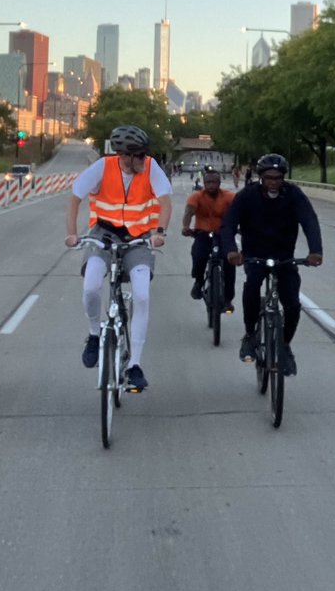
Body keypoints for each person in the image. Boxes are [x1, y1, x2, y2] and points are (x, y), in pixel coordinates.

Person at [65, 124, 172, 393]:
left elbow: (166, 201)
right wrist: (72, 234)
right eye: (138, 156)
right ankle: (93, 334)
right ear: (124, 155)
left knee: (142, 295)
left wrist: (160, 232)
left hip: (139, 237)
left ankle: (134, 364)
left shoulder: (150, 167)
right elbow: (75, 197)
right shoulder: (103, 167)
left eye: (144, 155)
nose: (143, 160)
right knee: (90, 287)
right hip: (104, 234)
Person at [220, 153, 322, 376]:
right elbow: (228, 224)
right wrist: (231, 251)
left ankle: (285, 346)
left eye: (278, 178)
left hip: (284, 256)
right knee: (252, 287)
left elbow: (309, 220)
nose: (273, 182)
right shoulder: (247, 195)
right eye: (269, 178)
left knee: (293, 304)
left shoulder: (293, 194)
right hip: (255, 255)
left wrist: (315, 251)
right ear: (260, 177)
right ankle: (249, 335)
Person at [181, 169, 237, 310]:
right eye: (207, 182)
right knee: (198, 255)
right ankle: (199, 282)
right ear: (204, 183)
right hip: (203, 233)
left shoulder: (229, 196)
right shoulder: (197, 196)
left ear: (219, 183)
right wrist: (186, 227)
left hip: (224, 234)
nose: (210, 185)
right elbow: (189, 212)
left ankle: (228, 298)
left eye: (214, 182)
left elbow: (239, 212)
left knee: (230, 261)